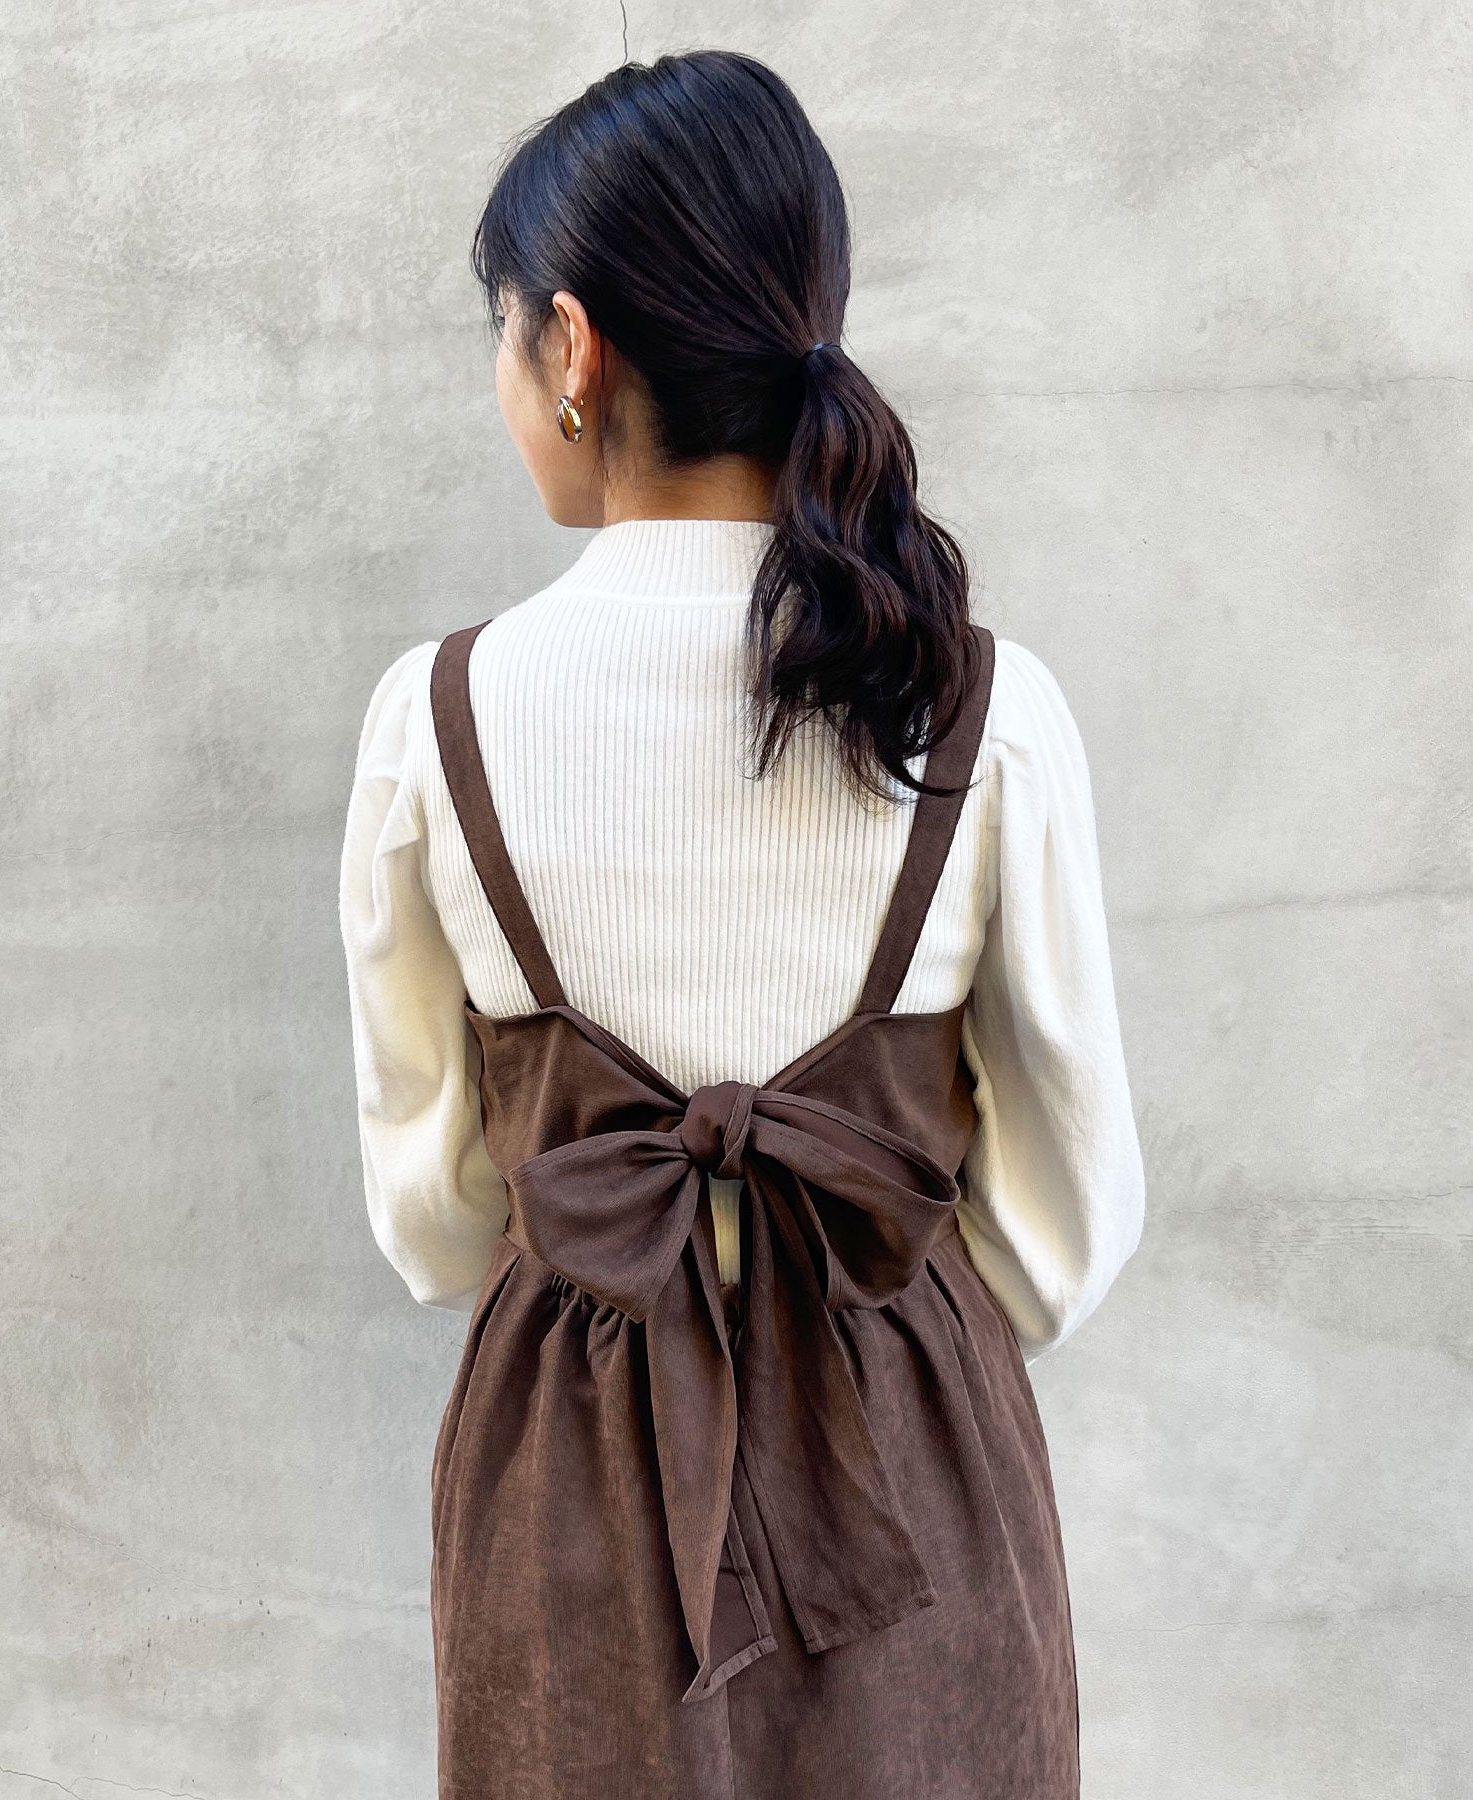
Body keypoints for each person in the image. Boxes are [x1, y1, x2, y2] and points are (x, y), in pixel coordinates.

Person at [338, 48, 1145, 1800]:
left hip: (569, 1477)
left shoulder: (436, 719)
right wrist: (866, 1303)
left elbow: (434, 1215)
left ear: (570, 347)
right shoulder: (983, 707)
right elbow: (1065, 1222)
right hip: (911, 1470)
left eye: (500, 333)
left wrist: (637, 1248)